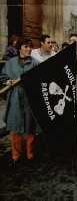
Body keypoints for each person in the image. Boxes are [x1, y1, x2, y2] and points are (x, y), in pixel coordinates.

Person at [0, 37, 39, 167]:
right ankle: (15, 156)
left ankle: (30, 154)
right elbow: (3, 76)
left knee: (30, 127)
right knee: (15, 127)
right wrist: (7, 81)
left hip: (30, 98)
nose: (28, 49)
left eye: (30, 47)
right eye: (25, 47)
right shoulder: (10, 63)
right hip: (15, 97)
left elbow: (41, 80)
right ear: (19, 48)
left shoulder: (35, 63)